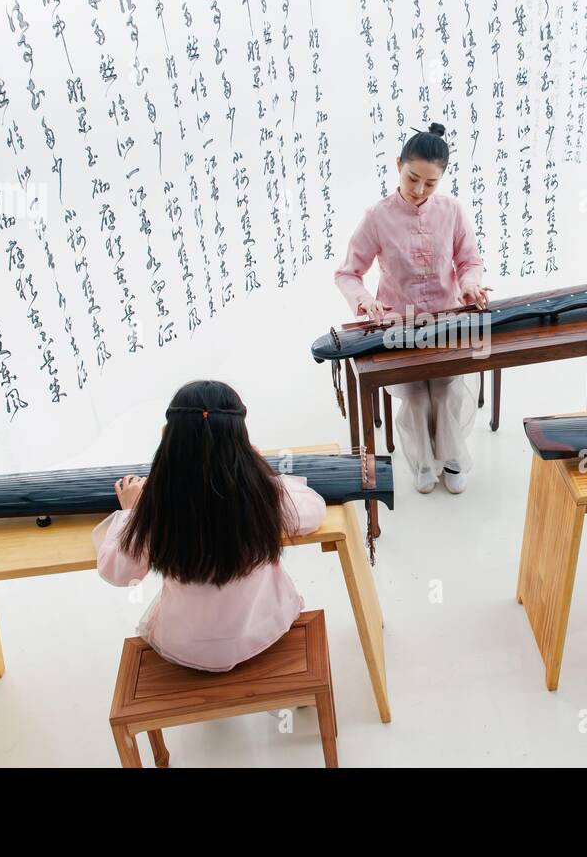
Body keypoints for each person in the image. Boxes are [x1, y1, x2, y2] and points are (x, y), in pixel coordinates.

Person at [93, 380, 326, 671]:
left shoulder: (157, 506)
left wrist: (131, 511)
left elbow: (120, 572)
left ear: (170, 439)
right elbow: (315, 511)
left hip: (186, 647)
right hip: (262, 630)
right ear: (240, 438)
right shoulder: (264, 495)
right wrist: (258, 469)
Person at [334, 122, 489, 494]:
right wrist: (365, 300)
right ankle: (422, 462)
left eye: (430, 183)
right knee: (418, 397)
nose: (419, 190)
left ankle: (450, 459)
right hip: (398, 326)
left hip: (448, 321)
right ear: (398, 164)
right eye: (412, 178)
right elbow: (348, 273)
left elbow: (469, 261)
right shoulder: (377, 217)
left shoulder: (452, 211)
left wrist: (469, 285)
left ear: (442, 179)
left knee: (447, 391)